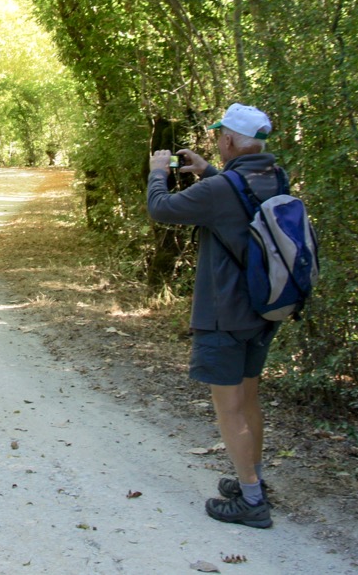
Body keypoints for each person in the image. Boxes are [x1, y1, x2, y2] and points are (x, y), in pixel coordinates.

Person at [146, 103, 284, 530]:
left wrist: (157, 169)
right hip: (264, 309)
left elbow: (161, 208)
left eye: (219, 136)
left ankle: (251, 500)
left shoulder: (222, 188)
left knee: (229, 408)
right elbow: (235, 202)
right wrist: (207, 170)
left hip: (224, 311)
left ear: (227, 140)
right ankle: (253, 478)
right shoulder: (273, 175)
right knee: (249, 398)